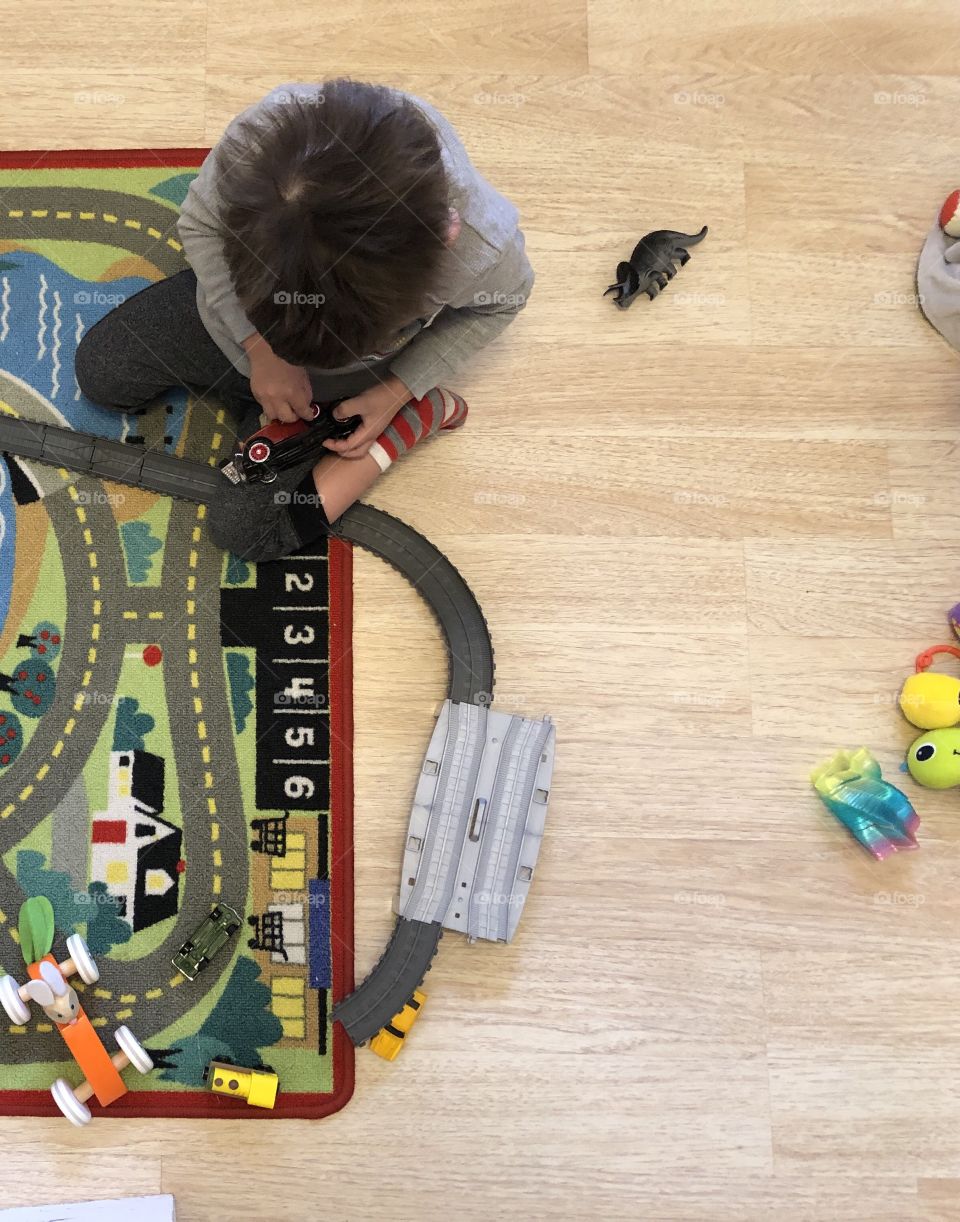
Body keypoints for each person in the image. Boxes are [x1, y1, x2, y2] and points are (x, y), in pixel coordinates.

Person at [75, 78, 534, 560]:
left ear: (447, 234)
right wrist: (259, 346)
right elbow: (200, 223)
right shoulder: (257, 147)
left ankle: (419, 414)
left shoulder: (479, 250)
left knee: (244, 534)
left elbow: (503, 302)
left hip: (345, 386)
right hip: (236, 330)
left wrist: (396, 390)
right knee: (100, 375)